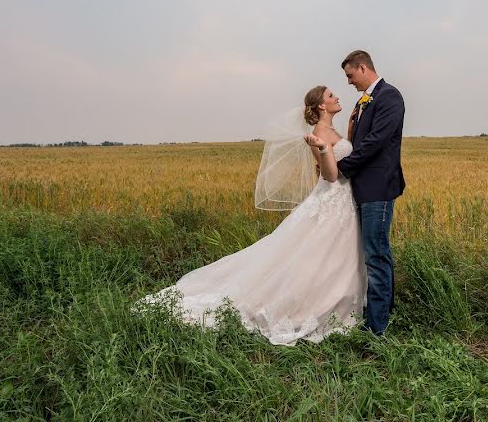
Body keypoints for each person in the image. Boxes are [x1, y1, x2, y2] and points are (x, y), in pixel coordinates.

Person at [135, 86, 367, 346]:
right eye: (331, 96)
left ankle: (337, 303)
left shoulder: (336, 129)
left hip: (343, 200)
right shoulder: (319, 134)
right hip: (332, 198)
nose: (337, 97)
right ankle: (306, 307)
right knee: (316, 256)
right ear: (322, 106)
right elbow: (330, 175)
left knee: (333, 257)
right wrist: (323, 150)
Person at [335, 50, 406, 336]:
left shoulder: (390, 96)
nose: (349, 82)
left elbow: (376, 142)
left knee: (376, 256)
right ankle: (382, 314)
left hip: (378, 187)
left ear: (363, 68)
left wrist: (342, 167)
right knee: (373, 255)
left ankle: (378, 329)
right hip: (363, 189)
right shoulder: (362, 102)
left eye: (350, 75)